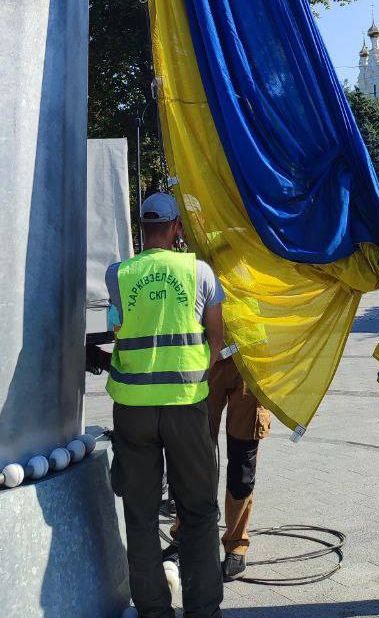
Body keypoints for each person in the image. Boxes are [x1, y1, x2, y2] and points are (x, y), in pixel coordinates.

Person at [106, 192, 224, 618]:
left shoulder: (117, 274)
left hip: (132, 409)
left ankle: (154, 610)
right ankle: (203, 610)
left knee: (139, 514)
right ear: (176, 228)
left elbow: (120, 323)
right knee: (198, 510)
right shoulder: (200, 273)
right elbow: (217, 341)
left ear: (142, 229)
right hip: (185, 404)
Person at [206, 353, 271, 579]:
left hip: (249, 359)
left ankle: (236, 544)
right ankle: (184, 536)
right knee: (193, 457)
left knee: (242, 465)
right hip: (205, 356)